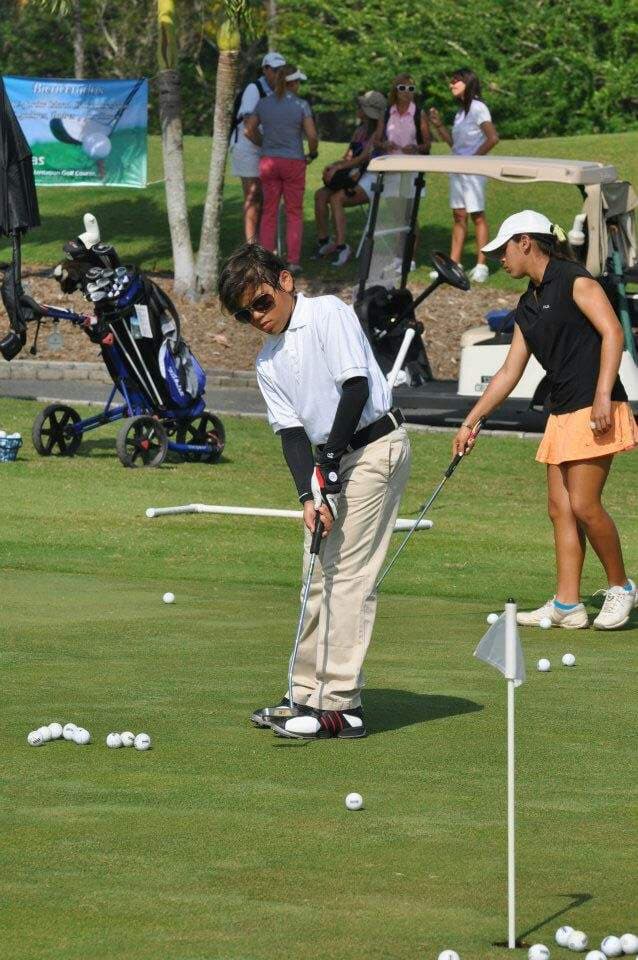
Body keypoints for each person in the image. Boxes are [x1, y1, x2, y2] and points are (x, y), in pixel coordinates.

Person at [218, 243, 411, 739]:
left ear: (284, 281)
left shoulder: (328, 313)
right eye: (245, 314)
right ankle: (304, 693)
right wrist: (309, 496)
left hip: (373, 447)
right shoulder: (268, 362)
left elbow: (355, 388)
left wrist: (328, 465)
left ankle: (341, 705)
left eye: (260, 302)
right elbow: (290, 435)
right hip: (329, 459)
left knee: (347, 575)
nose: (256, 317)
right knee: (315, 571)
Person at [453, 210, 637, 629]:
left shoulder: (575, 280)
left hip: (596, 410)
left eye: (503, 249)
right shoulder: (527, 304)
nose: (500, 258)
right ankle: (568, 605)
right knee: (560, 508)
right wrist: (471, 421)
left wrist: (604, 395)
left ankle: (621, 586)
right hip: (562, 411)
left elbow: (613, 332)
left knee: (585, 505)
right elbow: (508, 372)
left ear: (525, 242)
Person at [244, 64, 318, 275]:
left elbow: (249, 129)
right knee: (293, 212)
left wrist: (264, 144)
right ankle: (293, 261)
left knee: (269, 211)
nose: (300, 86)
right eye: (298, 82)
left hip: (269, 161)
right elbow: (312, 135)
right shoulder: (301, 105)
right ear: (292, 83)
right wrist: (312, 153)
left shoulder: (264, 103)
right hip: (294, 162)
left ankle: (267, 261)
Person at [428, 67, 499, 283]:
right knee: (458, 216)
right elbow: (455, 145)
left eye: (455, 81)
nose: (451, 85)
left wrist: (473, 161)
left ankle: (481, 265)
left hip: (473, 172)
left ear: (467, 83)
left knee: (477, 215)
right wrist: (439, 126)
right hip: (458, 170)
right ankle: (454, 264)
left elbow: (492, 138)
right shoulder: (460, 113)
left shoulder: (478, 108)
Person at [314, 90, 386, 267]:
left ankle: (342, 246)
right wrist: (333, 166)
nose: (357, 109)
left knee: (336, 198)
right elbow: (348, 157)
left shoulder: (379, 131)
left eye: (360, 106)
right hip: (353, 176)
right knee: (320, 195)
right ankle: (325, 241)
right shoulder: (359, 130)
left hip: (371, 177)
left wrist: (339, 167)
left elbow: (363, 159)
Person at [230, 51, 285, 243]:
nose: (279, 74)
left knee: (264, 198)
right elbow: (248, 128)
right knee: (253, 198)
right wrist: (268, 146)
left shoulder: (278, 92)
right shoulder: (254, 89)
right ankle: (252, 246)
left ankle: (262, 243)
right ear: (265, 69)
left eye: (282, 70)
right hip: (247, 147)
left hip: (264, 147)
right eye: (275, 70)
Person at [380, 73, 431, 270]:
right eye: (402, 88)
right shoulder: (388, 113)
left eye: (411, 89)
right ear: (395, 90)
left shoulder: (418, 113)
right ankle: (398, 256)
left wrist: (416, 147)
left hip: (411, 169)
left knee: (409, 215)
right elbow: (376, 139)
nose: (407, 93)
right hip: (393, 169)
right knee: (396, 215)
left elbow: (427, 144)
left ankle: (409, 258)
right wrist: (384, 144)